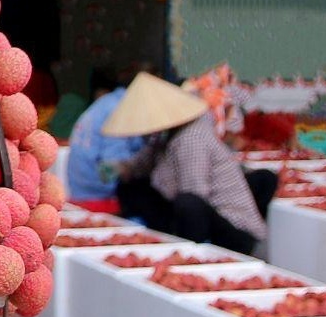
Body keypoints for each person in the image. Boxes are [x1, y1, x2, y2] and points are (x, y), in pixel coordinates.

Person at [105, 73, 277, 256]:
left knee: (187, 204)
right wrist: (122, 169)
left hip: (231, 226)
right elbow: (142, 163)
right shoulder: (166, 135)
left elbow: (195, 194)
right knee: (132, 187)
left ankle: (192, 256)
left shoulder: (191, 137)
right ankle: (165, 236)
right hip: (200, 210)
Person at [63, 69, 141, 210]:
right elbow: (110, 169)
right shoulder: (120, 110)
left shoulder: (107, 102)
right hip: (98, 197)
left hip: (78, 190)